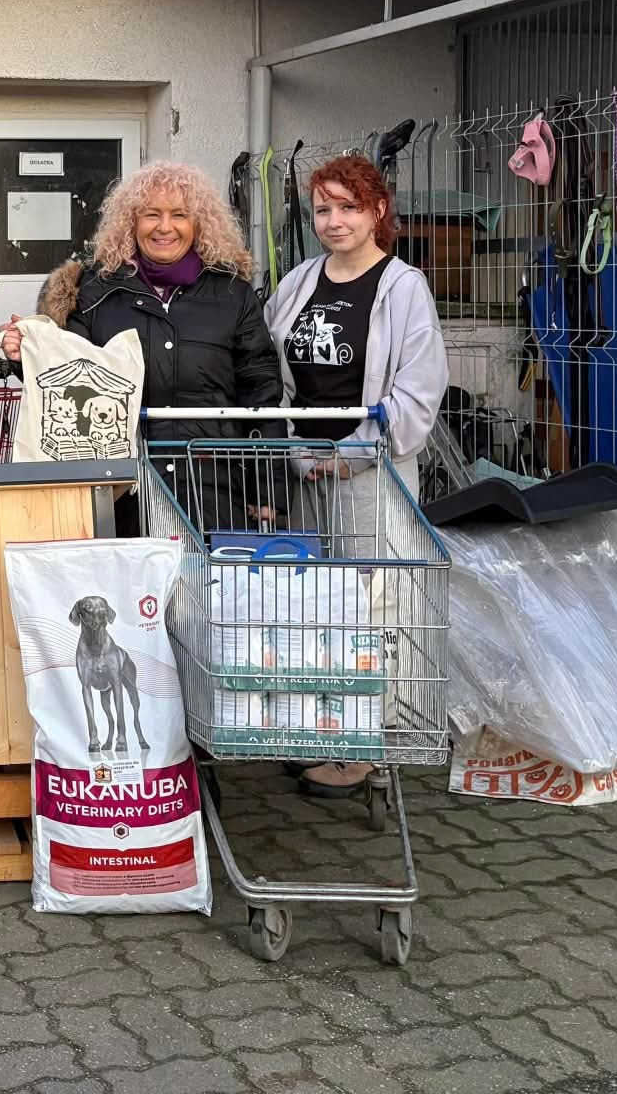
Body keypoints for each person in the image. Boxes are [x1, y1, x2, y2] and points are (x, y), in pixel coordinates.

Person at [264, 152, 448, 800]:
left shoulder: (403, 288)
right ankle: (322, 729)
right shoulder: (297, 284)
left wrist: (353, 454)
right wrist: (294, 452)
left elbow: (418, 392)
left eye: (348, 206)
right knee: (314, 606)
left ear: (377, 211)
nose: (334, 220)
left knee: (375, 608)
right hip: (304, 473)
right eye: (322, 209)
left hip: (371, 479)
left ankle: (370, 744)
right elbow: (272, 380)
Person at [0, 159, 285, 521]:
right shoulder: (93, 291)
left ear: (199, 222)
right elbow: (68, 377)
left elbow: (261, 394)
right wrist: (24, 352)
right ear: (130, 221)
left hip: (212, 491)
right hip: (118, 494)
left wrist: (268, 492)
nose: (165, 227)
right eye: (152, 214)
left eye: (179, 214)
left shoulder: (233, 295)